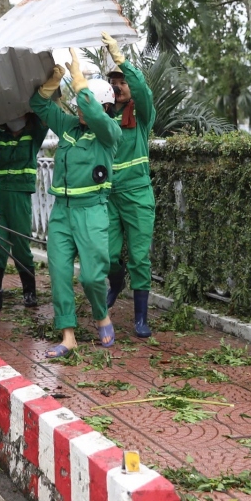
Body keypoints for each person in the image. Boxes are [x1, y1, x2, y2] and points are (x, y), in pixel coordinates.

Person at [30, 49, 122, 359]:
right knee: (58, 274)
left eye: (91, 106)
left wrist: (80, 80)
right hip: (61, 212)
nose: (82, 111)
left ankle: (101, 315)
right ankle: (68, 335)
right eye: (81, 105)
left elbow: (93, 114)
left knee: (93, 276)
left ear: (105, 107)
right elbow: (38, 105)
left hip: (92, 210)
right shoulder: (69, 126)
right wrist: (53, 81)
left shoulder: (109, 133)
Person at [101, 33, 157, 337]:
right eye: (113, 81)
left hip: (137, 196)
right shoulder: (106, 117)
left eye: (122, 81)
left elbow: (142, 89)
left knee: (138, 257)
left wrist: (120, 58)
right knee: (105, 254)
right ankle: (116, 278)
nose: (118, 86)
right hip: (109, 197)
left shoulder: (142, 112)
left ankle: (140, 318)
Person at [0, 114, 46, 312]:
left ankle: (29, 292)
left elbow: (47, 117)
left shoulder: (33, 133)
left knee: (20, 244)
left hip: (19, 196)